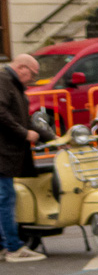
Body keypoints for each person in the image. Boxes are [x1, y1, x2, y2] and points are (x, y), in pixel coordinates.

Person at [1, 54, 47, 263]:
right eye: (33, 75)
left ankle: (4, 246)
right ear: (22, 68)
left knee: (4, 199)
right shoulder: (4, 81)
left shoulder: (13, 85)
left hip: (6, 154)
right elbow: (2, 114)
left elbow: (25, 121)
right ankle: (13, 248)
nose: (33, 80)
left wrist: (54, 138)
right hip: (3, 154)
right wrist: (24, 133)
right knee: (6, 199)